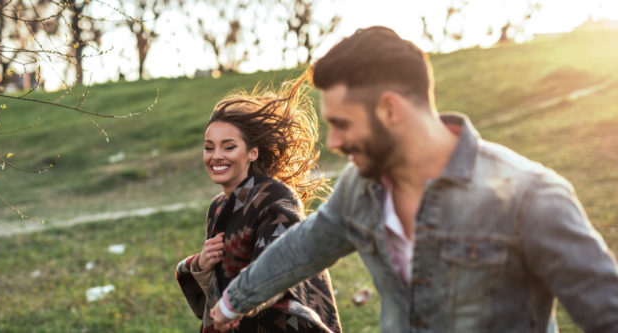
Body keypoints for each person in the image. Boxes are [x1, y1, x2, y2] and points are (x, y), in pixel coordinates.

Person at [210, 26, 618, 332]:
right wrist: (233, 301)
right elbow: (301, 249)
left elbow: (606, 311)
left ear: (391, 109)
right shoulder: (360, 188)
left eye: (342, 124)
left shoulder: (530, 197)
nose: (333, 141)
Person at [176, 71, 342, 333]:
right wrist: (200, 265)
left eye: (229, 147)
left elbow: (279, 268)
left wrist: (237, 302)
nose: (216, 156)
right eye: (209, 147)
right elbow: (212, 295)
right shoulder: (218, 206)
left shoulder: (275, 197)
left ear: (253, 152)